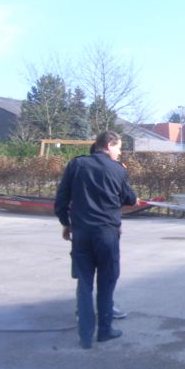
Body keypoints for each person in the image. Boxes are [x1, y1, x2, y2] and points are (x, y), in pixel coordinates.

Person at [55, 131, 139, 349]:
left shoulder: (76, 165)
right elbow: (129, 198)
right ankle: (105, 330)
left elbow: (61, 199)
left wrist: (67, 223)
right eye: (119, 147)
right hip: (107, 234)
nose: (120, 152)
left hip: (81, 233)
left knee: (84, 283)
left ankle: (85, 336)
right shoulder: (118, 169)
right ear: (109, 145)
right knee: (106, 282)